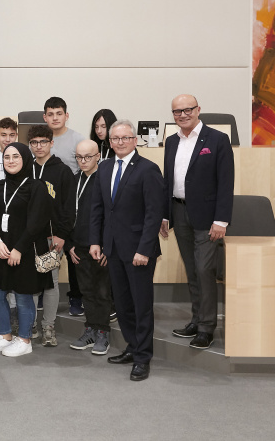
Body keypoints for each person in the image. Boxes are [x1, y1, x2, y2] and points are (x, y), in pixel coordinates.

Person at [90, 120, 165, 382]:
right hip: (112, 249)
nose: (120, 142)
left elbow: (153, 215)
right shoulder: (105, 167)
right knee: (122, 305)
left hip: (139, 252)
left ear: (135, 140)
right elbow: (98, 208)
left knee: (141, 305)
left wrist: (144, 249)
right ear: (109, 142)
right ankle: (133, 348)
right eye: (115, 139)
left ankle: (143, 357)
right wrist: (95, 241)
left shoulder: (148, 169)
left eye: (125, 138)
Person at [161, 94, 234, 350]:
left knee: (204, 271)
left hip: (208, 217)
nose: (182, 114)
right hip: (179, 213)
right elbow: (167, 180)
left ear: (198, 109)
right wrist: (165, 214)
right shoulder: (171, 141)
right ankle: (196, 319)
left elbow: (226, 182)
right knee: (191, 270)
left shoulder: (217, 139)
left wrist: (221, 220)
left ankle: (206, 327)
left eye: (187, 109)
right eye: (177, 111)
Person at [0, 143, 53, 358]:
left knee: (23, 297)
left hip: (26, 249)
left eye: (15, 156)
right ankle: (5, 336)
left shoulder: (36, 186)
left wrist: (19, 249)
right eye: (7, 157)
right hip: (1, 248)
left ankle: (24, 339)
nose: (10, 161)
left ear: (25, 159)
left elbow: (37, 222)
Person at [27, 124, 76, 345]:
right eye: (34, 142)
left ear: (51, 143)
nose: (39, 146)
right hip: (28, 236)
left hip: (51, 237)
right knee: (30, 282)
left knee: (51, 282)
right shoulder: (25, 169)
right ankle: (30, 324)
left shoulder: (62, 170)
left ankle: (48, 326)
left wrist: (61, 235)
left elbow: (68, 207)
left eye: (43, 142)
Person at [65, 140, 111, 355]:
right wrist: (70, 244)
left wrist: (105, 245)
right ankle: (91, 328)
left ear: (98, 156)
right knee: (86, 291)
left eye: (88, 157)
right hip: (78, 246)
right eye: (79, 157)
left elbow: (110, 217)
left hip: (99, 247)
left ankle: (103, 332)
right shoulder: (74, 180)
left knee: (102, 291)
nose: (83, 161)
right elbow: (67, 215)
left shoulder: (105, 181)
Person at [44, 96, 86, 175]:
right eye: (50, 115)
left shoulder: (78, 140)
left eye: (59, 114)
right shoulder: (37, 141)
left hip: (71, 185)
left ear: (66, 116)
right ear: (45, 117)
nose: (55, 118)